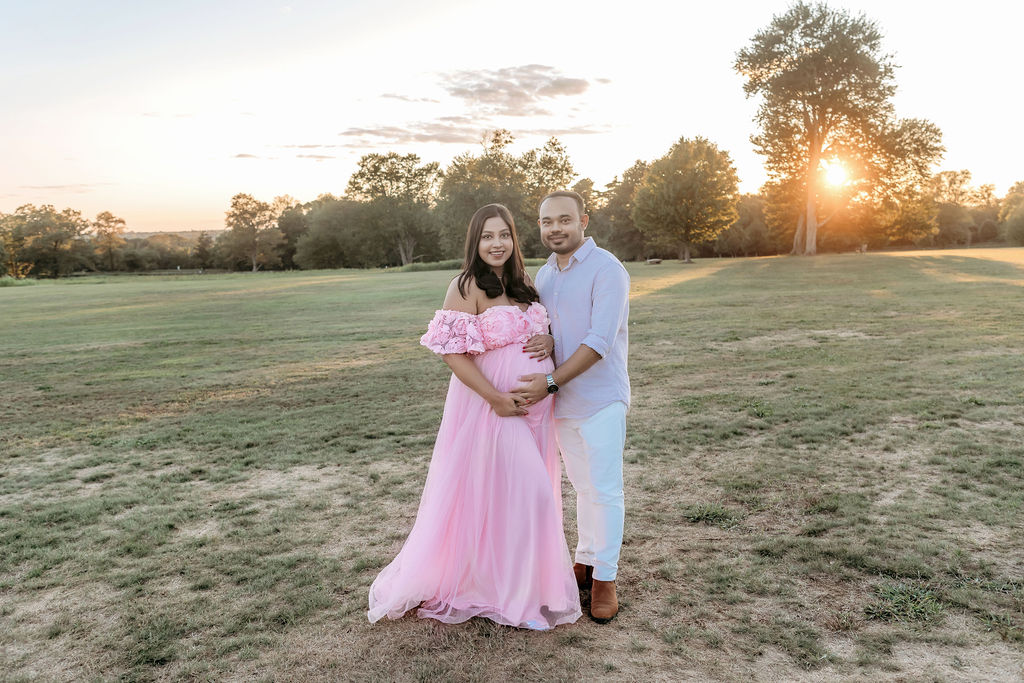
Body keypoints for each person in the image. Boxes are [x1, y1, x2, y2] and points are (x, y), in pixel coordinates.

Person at [367, 203, 581, 631]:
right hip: (492, 408)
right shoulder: (466, 286)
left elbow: (533, 334)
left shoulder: (524, 283)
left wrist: (548, 336)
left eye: (504, 235)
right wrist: (495, 398)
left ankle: (521, 587)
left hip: (535, 411)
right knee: (530, 494)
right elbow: (452, 352)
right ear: (475, 242)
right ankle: (508, 594)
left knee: (511, 498)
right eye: (487, 236)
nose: (497, 243)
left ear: (513, 240)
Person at [514, 190, 630, 623]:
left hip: (601, 399)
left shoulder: (607, 270)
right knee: (582, 488)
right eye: (547, 222)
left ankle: (606, 578)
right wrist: (547, 344)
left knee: (605, 490)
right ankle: (584, 560)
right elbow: (549, 332)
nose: (555, 228)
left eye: (564, 219)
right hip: (564, 403)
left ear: (584, 220)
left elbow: (599, 342)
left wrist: (548, 382)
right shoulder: (544, 275)